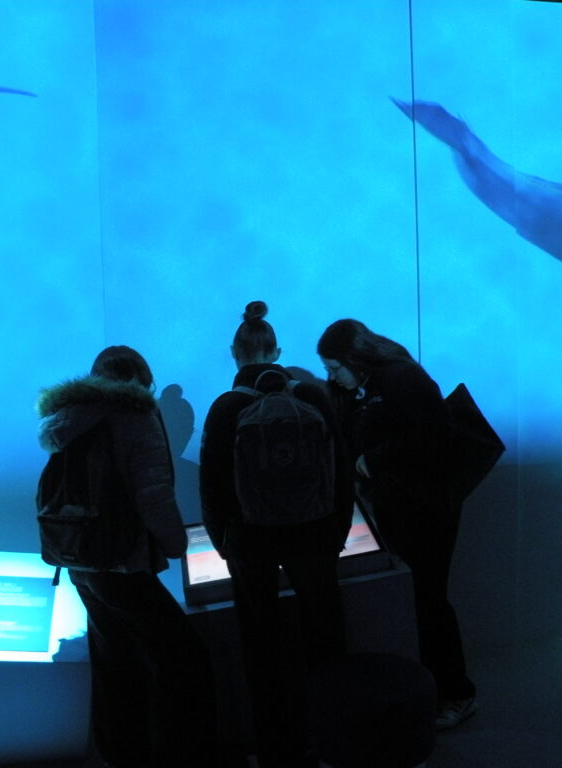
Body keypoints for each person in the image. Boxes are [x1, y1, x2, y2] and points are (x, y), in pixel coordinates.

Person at [37, 345, 218, 767]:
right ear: (142, 382)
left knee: (114, 662)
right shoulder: (134, 417)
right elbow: (153, 493)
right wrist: (177, 544)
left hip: (79, 558)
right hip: (122, 559)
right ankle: (186, 755)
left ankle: (122, 756)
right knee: (184, 658)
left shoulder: (68, 419)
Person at [200, 301, 353, 768]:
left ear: (234, 352)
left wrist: (224, 541)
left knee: (261, 644)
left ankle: (275, 748)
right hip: (314, 534)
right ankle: (332, 738)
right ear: (278, 350)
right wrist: (337, 530)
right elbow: (341, 468)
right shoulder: (312, 395)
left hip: (251, 541)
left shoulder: (226, 407)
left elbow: (213, 485)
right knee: (324, 634)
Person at [316, 319, 477, 729]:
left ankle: (456, 692)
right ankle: (434, 689)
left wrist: (374, 459)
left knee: (429, 598)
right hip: (398, 505)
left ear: (355, 357)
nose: (331, 376)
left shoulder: (401, 376)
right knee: (421, 598)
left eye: (335, 368)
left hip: (428, 507)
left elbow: (438, 433)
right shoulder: (362, 387)